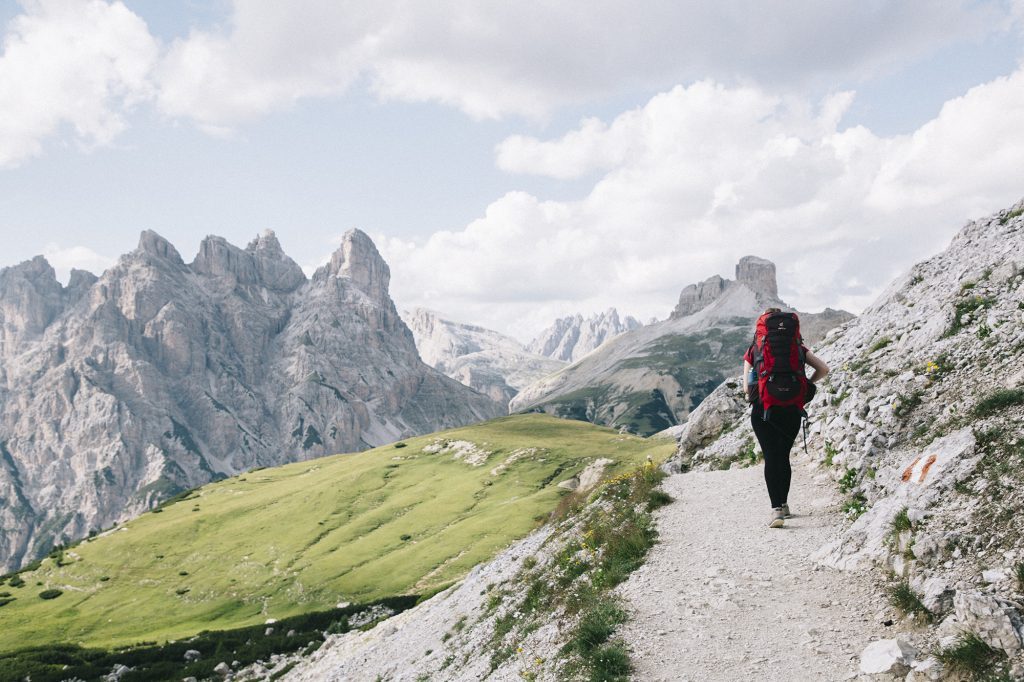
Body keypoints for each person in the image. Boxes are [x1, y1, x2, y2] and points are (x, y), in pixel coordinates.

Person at [742, 308, 829, 528]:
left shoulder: (755, 349)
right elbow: (824, 369)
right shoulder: (798, 348)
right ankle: (785, 504)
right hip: (791, 407)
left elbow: (746, 388)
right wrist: (807, 385)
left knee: (771, 456)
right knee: (783, 455)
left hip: (763, 411)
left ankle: (776, 511)